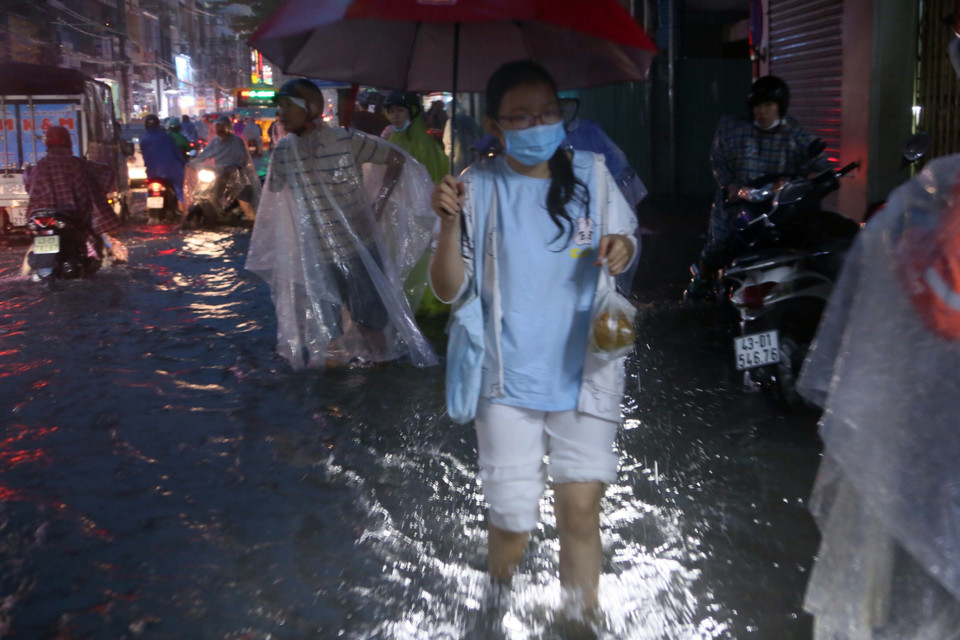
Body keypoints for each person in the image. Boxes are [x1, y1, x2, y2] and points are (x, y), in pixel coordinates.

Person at [429, 60, 638, 613]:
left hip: (587, 371)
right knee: (513, 522)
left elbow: (627, 237)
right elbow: (448, 290)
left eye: (547, 113)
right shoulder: (474, 188)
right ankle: (495, 601)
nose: (538, 125)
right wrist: (448, 223)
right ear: (494, 126)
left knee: (580, 513)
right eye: (521, 117)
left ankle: (579, 620)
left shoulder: (593, 174)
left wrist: (622, 247)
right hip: (506, 380)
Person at [245, 78, 438, 370]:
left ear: (310, 108)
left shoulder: (345, 140)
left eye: (286, 106)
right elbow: (277, 200)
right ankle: (335, 390)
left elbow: (395, 160)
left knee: (371, 323)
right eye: (279, 107)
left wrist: (377, 206)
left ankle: (382, 382)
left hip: (357, 247)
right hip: (315, 255)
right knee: (327, 331)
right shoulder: (284, 152)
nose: (280, 114)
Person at [684, 75, 831, 300]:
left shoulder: (795, 135)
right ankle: (702, 280)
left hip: (778, 209)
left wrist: (808, 180)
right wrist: (730, 186)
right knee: (721, 243)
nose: (762, 111)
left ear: (780, 106)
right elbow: (719, 161)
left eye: (768, 105)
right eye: (757, 105)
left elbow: (819, 164)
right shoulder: (734, 131)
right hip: (741, 207)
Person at [23, 125, 126, 270]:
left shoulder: (40, 167)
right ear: (68, 142)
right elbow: (105, 175)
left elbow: (30, 187)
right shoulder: (77, 165)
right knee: (93, 238)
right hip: (72, 217)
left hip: (41, 218)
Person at [191, 114, 257, 221]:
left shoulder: (237, 141)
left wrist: (235, 169)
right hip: (220, 175)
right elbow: (204, 155)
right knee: (207, 195)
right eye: (218, 126)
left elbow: (243, 158)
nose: (219, 129)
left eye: (222, 126)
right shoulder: (215, 142)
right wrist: (193, 163)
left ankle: (253, 222)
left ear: (228, 127)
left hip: (236, 176)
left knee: (245, 205)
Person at [384, 90, 449, 185]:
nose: (395, 116)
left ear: (413, 112)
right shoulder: (394, 139)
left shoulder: (424, 146)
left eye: (400, 110)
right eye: (391, 111)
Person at [139, 113, 187, 209]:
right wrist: (184, 163)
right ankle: (185, 209)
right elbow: (177, 154)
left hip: (152, 173)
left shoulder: (144, 140)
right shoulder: (167, 137)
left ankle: (148, 207)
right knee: (180, 189)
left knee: (149, 189)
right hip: (171, 172)